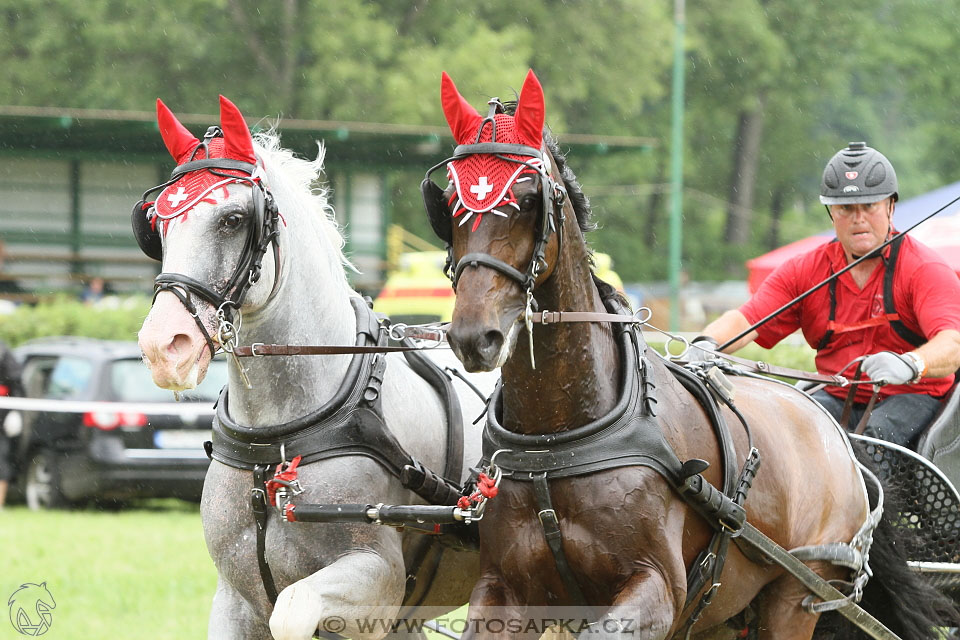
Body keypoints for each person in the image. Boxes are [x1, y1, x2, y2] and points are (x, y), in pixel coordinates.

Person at [691, 142, 960, 447]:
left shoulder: (925, 268)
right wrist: (705, 344)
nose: (858, 218)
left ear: (890, 206)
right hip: (836, 394)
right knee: (777, 442)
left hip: (913, 396)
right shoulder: (803, 269)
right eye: (846, 208)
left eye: (869, 205)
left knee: (868, 450)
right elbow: (746, 319)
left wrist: (912, 363)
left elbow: (952, 343)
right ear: (831, 213)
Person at [0, 340, 22, 508]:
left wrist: (16, 411)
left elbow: (17, 385)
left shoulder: (4, 354)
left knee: (2, 460)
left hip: (2, 419)